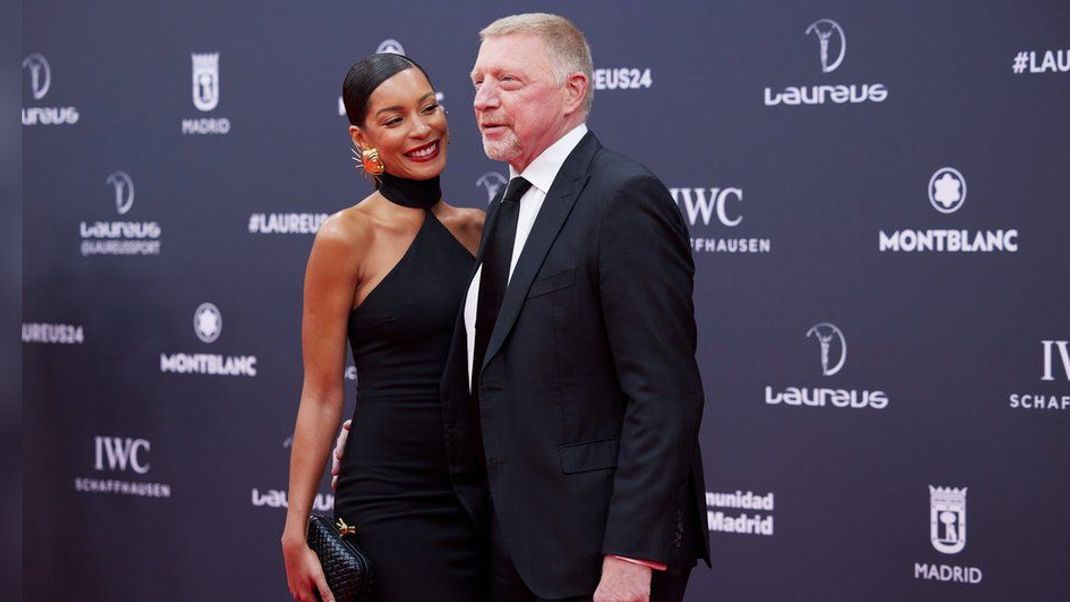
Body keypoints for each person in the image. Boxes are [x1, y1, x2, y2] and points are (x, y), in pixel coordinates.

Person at [443, 13, 711, 602]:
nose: (483, 100)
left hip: (595, 554)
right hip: (511, 540)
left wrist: (631, 557)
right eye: (476, 82)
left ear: (573, 91)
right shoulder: (507, 208)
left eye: (507, 82)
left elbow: (664, 394)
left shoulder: (623, 199)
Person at [281, 53, 486, 602]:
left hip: (485, 494)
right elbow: (322, 394)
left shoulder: (483, 229)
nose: (422, 129)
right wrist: (294, 529)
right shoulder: (345, 237)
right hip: (392, 499)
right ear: (362, 136)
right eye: (394, 119)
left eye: (429, 108)